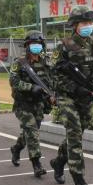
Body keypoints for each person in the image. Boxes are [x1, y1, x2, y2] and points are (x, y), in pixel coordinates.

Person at [51, 5, 93, 185]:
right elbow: (54, 74)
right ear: (74, 25)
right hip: (67, 97)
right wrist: (75, 88)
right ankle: (79, 179)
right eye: (84, 23)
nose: (88, 26)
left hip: (86, 96)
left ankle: (58, 161)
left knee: (78, 132)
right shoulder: (64, 46)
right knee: (74, 133)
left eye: (90, 22)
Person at [9, 30, 54, 177]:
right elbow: (14, 81)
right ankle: (37, 164)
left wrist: (52, 95)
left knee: (29, 132)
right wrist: (30, 87)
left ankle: (16, 148)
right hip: (23, 105)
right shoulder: (20, 63)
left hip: (39, 104)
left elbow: (52, 81)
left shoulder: (46, 62)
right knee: (33, 133)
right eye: (33, 44)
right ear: (27, 46)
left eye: (38, 44)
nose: (36, 47)